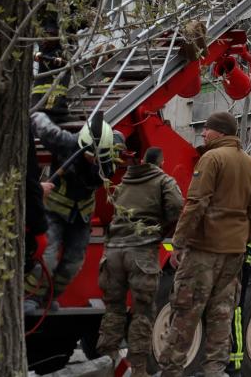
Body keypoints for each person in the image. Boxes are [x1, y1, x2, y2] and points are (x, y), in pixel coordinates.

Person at [157, 111, 251, 377]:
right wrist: (242, 237)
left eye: (207, 129)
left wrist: (178, 243)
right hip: (233, 252)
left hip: (204, 250)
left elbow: (196, 203)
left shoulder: (211, 158)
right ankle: (215, 371)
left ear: (221, 133)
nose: (203, 133)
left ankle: (170, 371)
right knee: (221, 316)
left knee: (185, 313)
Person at [96, 146, 183, 368]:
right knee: (142, 312)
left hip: (113, 252)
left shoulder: (124, 181)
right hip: (142, 253)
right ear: (161, 162)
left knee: (113, 309)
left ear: (142, 159)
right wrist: (160, 228)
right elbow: (177, 207)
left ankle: (106, 364)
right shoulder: (164, 181)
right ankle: (138, 369)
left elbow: (110, 209)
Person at [26, 111, 118, 307]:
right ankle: (30, 297)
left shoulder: (110, 152)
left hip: (81, 216)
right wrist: (30, 116)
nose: (93, 160)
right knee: (47, 258)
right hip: (54, 211)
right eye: (89, 156)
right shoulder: (65, 143)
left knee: (73, 263)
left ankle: (50, 298)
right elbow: (40, 122)